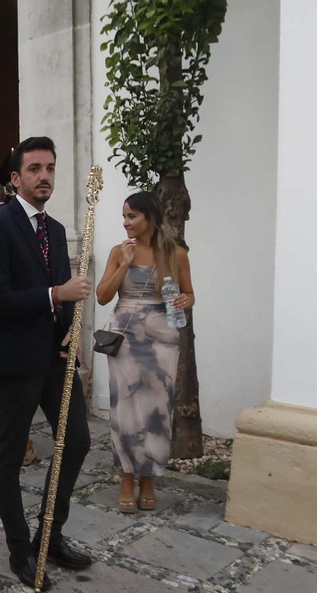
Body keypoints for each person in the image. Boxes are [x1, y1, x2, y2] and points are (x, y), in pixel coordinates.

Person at [0, 136, 95, 590]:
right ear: (16, 178)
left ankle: (52, 532)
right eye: (34, 169)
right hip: (14, 359)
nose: (44, 176)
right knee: (9, 457)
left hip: (55, 358)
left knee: (77, 441)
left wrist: (70, 326)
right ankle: (20, 548)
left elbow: (63, 289)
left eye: (50, 168)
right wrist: (55, 296)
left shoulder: (57, 228)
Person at [97, 190, 196, 513]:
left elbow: (189, 294)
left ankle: (149, 478)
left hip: (162, 339)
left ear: (149, 218)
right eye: (124, 216)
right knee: (124, 409)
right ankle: (127, 477)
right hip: (125, 338)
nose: (126, 223)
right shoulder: (118, 252)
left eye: (132, 216)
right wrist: (124, 265)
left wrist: (186, 300)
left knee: (157, 409)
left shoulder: (175, 254)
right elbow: (101, 296)